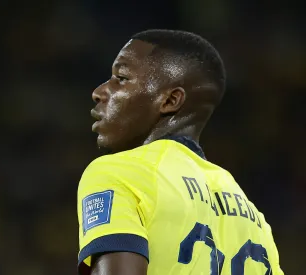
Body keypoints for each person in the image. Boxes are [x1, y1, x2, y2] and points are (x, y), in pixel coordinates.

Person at [77, 29, 284, 275]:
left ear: (170, 100)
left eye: (121, 78)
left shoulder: (120, 173)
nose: (99, 92)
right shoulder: (255, 220)